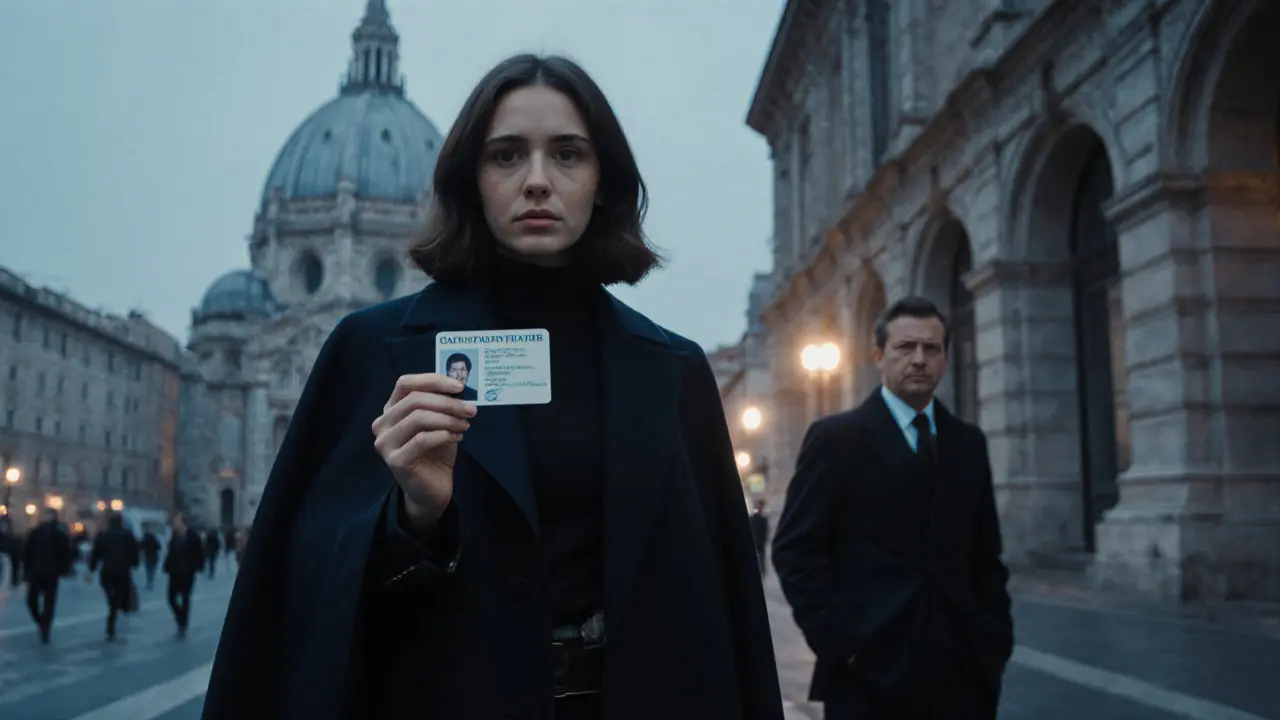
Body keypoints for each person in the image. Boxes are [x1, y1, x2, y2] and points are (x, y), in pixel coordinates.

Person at [203, 53, 783, 720]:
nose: (537, 180)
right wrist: (415, 515)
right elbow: (297, 587)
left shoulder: (671, 368)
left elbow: (722, 597)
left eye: (568, 154)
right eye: (507, 156)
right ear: (469, 181)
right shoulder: (369, 350)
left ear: (603, 179)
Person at [771, 296, 1014, 719]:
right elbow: (795, 548)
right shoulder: (836, 440)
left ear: (944, 358)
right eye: (905, 348)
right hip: (866, 675)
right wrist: (837, 639)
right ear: (879, 355)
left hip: (962, 675)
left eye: (931, 348)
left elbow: (985, 555)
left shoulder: (967, 442)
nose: (919, 359)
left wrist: (993, 638)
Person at [23, 508, 74, 643]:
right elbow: (27, 553)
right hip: (39, 572)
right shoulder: (36, 533)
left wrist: (64, 569)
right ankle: (42, 622)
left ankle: (45, 627)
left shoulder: (58, 534)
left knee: (47, 602)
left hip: (49, 572)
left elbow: (66, 554)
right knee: (33, 600)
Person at [88, 512, 140, 641]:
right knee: (120, 593)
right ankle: (116, 608)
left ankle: (113, 607)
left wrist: (92, 567)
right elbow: (134, 552)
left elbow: (96, 553)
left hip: (107, 570)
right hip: (122, 570)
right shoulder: (128, 535)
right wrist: (134, 563)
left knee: (110, 593)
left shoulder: (103, 535)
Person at [163, 513, 205, 638]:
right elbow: (170, 552)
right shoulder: (174, 536)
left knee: (186, 597)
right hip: (174, 571)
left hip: (188, 571)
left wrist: (199, 567)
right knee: (171, 598)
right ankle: (180, 617)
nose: (174, 523)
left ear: (182, 522)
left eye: (175, 521)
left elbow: (199, 552)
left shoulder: (192, 536)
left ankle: (183, 623)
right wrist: (167, 566)